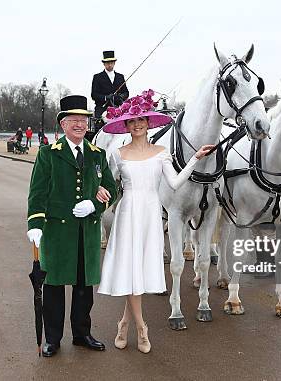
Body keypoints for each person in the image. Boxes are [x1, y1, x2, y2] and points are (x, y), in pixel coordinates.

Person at [96, 90, 214, 354]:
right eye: (132, 121)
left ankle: (124, 322)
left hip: (150, 213)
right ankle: (141, 327)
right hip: (127, 214)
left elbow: (174, 182)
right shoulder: (117, 154)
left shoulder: (161, 152)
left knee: (138, 272)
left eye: (142, 121)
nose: (137, 125)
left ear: (148, 123)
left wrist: (195, 160)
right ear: (126, 125)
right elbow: (107, 183)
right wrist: (97, 191)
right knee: (130, 270)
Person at [26, 95, 118, 358]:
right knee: (53, 287)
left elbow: (112, 188)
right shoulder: (48, 154)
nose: (80, 124)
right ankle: (53, 339)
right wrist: (35, 223)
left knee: (83, 288)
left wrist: (95, 205)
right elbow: (37, 193)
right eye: (74, 120)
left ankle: (82, 334)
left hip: (86, 232)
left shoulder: (97, 155)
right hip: (57, 232)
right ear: (63, 124)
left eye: (84, 120)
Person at [91, 50, 129, 120]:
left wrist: (121, 96)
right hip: (102, 108)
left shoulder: (120, 76)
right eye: (107, 63)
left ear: (114, 63)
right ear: (104, 64)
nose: (110, 65)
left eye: (111, 62)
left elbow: (126, 92)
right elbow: (94, 95)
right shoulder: (97, 77)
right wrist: (106, 97)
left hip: (118, 108)